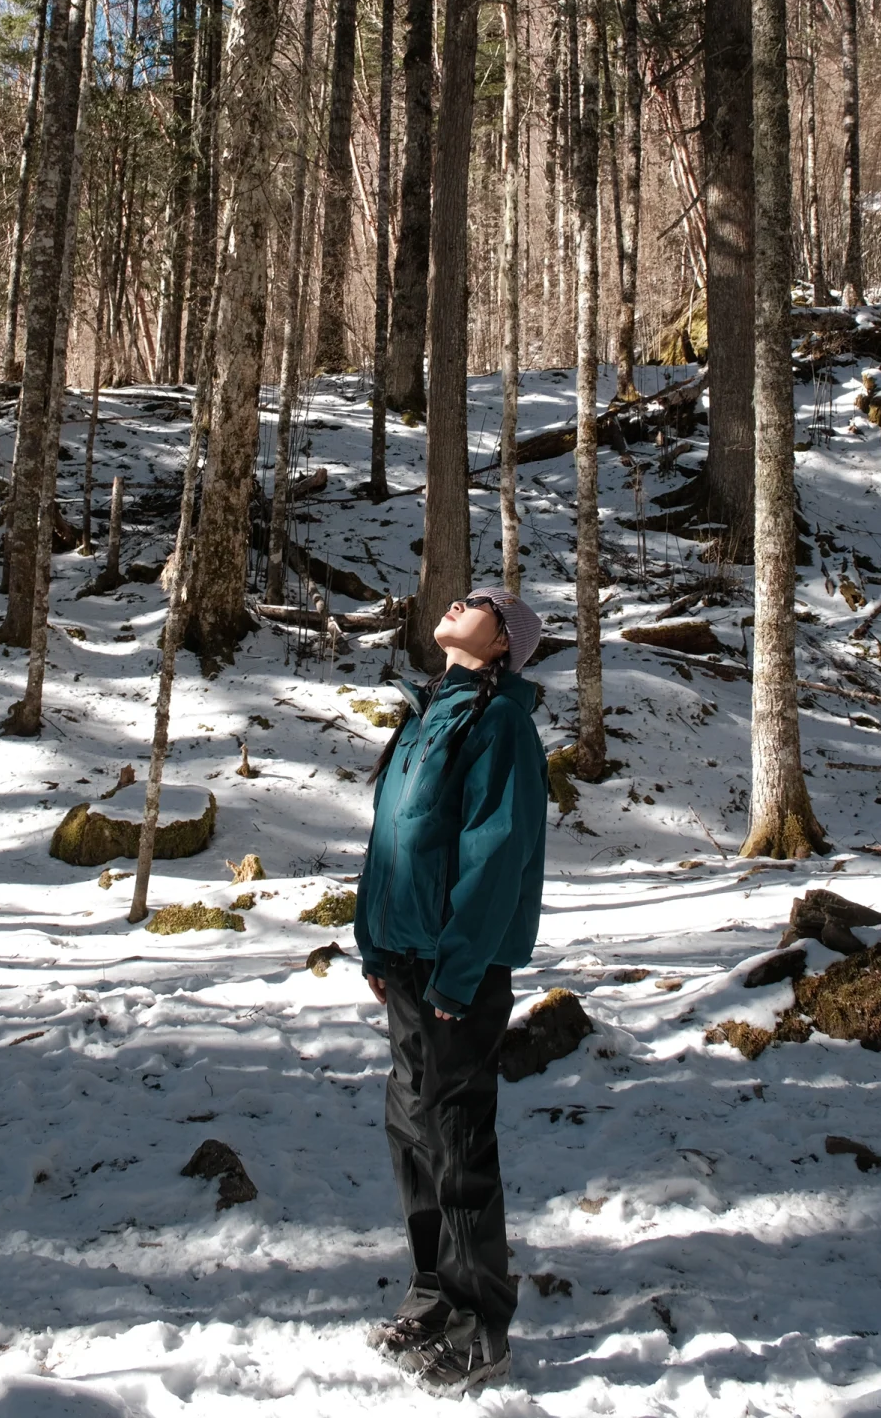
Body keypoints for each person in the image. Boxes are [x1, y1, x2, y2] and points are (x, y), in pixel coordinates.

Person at [354, 586, 548, 1396]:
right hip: (407, 958)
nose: (460, 602)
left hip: (457, 968)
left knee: (458, 1135)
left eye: (482, 604)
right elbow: (390, 838)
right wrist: (373, 940)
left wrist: (460, 970)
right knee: (412, 1127)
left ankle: (481, 1326)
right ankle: (433, 1293)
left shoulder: (501, 723)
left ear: (503, 643)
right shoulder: (424, 713)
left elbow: (496, 854)